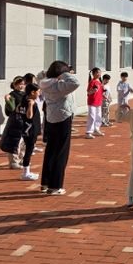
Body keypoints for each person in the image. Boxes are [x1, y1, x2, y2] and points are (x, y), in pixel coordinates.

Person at [39, 60, 80, 195]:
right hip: (63, 118)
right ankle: (55, 186)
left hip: (51, 118)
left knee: (51, 151)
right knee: (61, 152)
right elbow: (75, 82)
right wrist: (64, 74)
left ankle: (45, 183)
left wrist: (54, 73)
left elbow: (40, 75)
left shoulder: (44, 83)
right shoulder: (58, 85)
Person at [18, 83, 41, 181]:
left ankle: (26, 171)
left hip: (27, 129)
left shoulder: (24, 100)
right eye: (38, 92)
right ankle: (25, 173)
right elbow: (29, 116)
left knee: (29, 150)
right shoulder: (30, 102)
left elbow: (17, 109)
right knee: (29, 150)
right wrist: (31, 105)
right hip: (30, 130)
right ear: (32, 92)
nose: (39, 94)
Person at [3, 76, 26, 169]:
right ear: (14, 85)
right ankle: (13, 162)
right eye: (19, 84)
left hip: (24, 121)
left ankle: (21, 159)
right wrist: (7, 100)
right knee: (15, 141)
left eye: (23, 84)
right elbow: (11, 108)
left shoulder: (25, 94)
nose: (21, 86)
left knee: (23, 142)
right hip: (15, 121)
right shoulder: (12, 95)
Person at [24, 73, 44, 152]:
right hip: (32, 112)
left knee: (36, 131)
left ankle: (33, 146)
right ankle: (29, 149)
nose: (35, 81)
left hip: (38, 111)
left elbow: (41, 96)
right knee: (30, 132)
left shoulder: (36, 88)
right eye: (33, 79)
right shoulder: (28, 90)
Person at [85, 67, 104, 139]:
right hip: (92, 102)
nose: (99, 74)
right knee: (92, 117)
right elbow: (88, 92)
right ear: (93, 73)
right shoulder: (92, 82)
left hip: (98, 102)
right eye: (97, 72)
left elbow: (101, 92)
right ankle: (88, 132)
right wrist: (93, 90)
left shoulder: (99, 82)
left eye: (100, 72)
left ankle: (96, 129)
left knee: (98, 117)